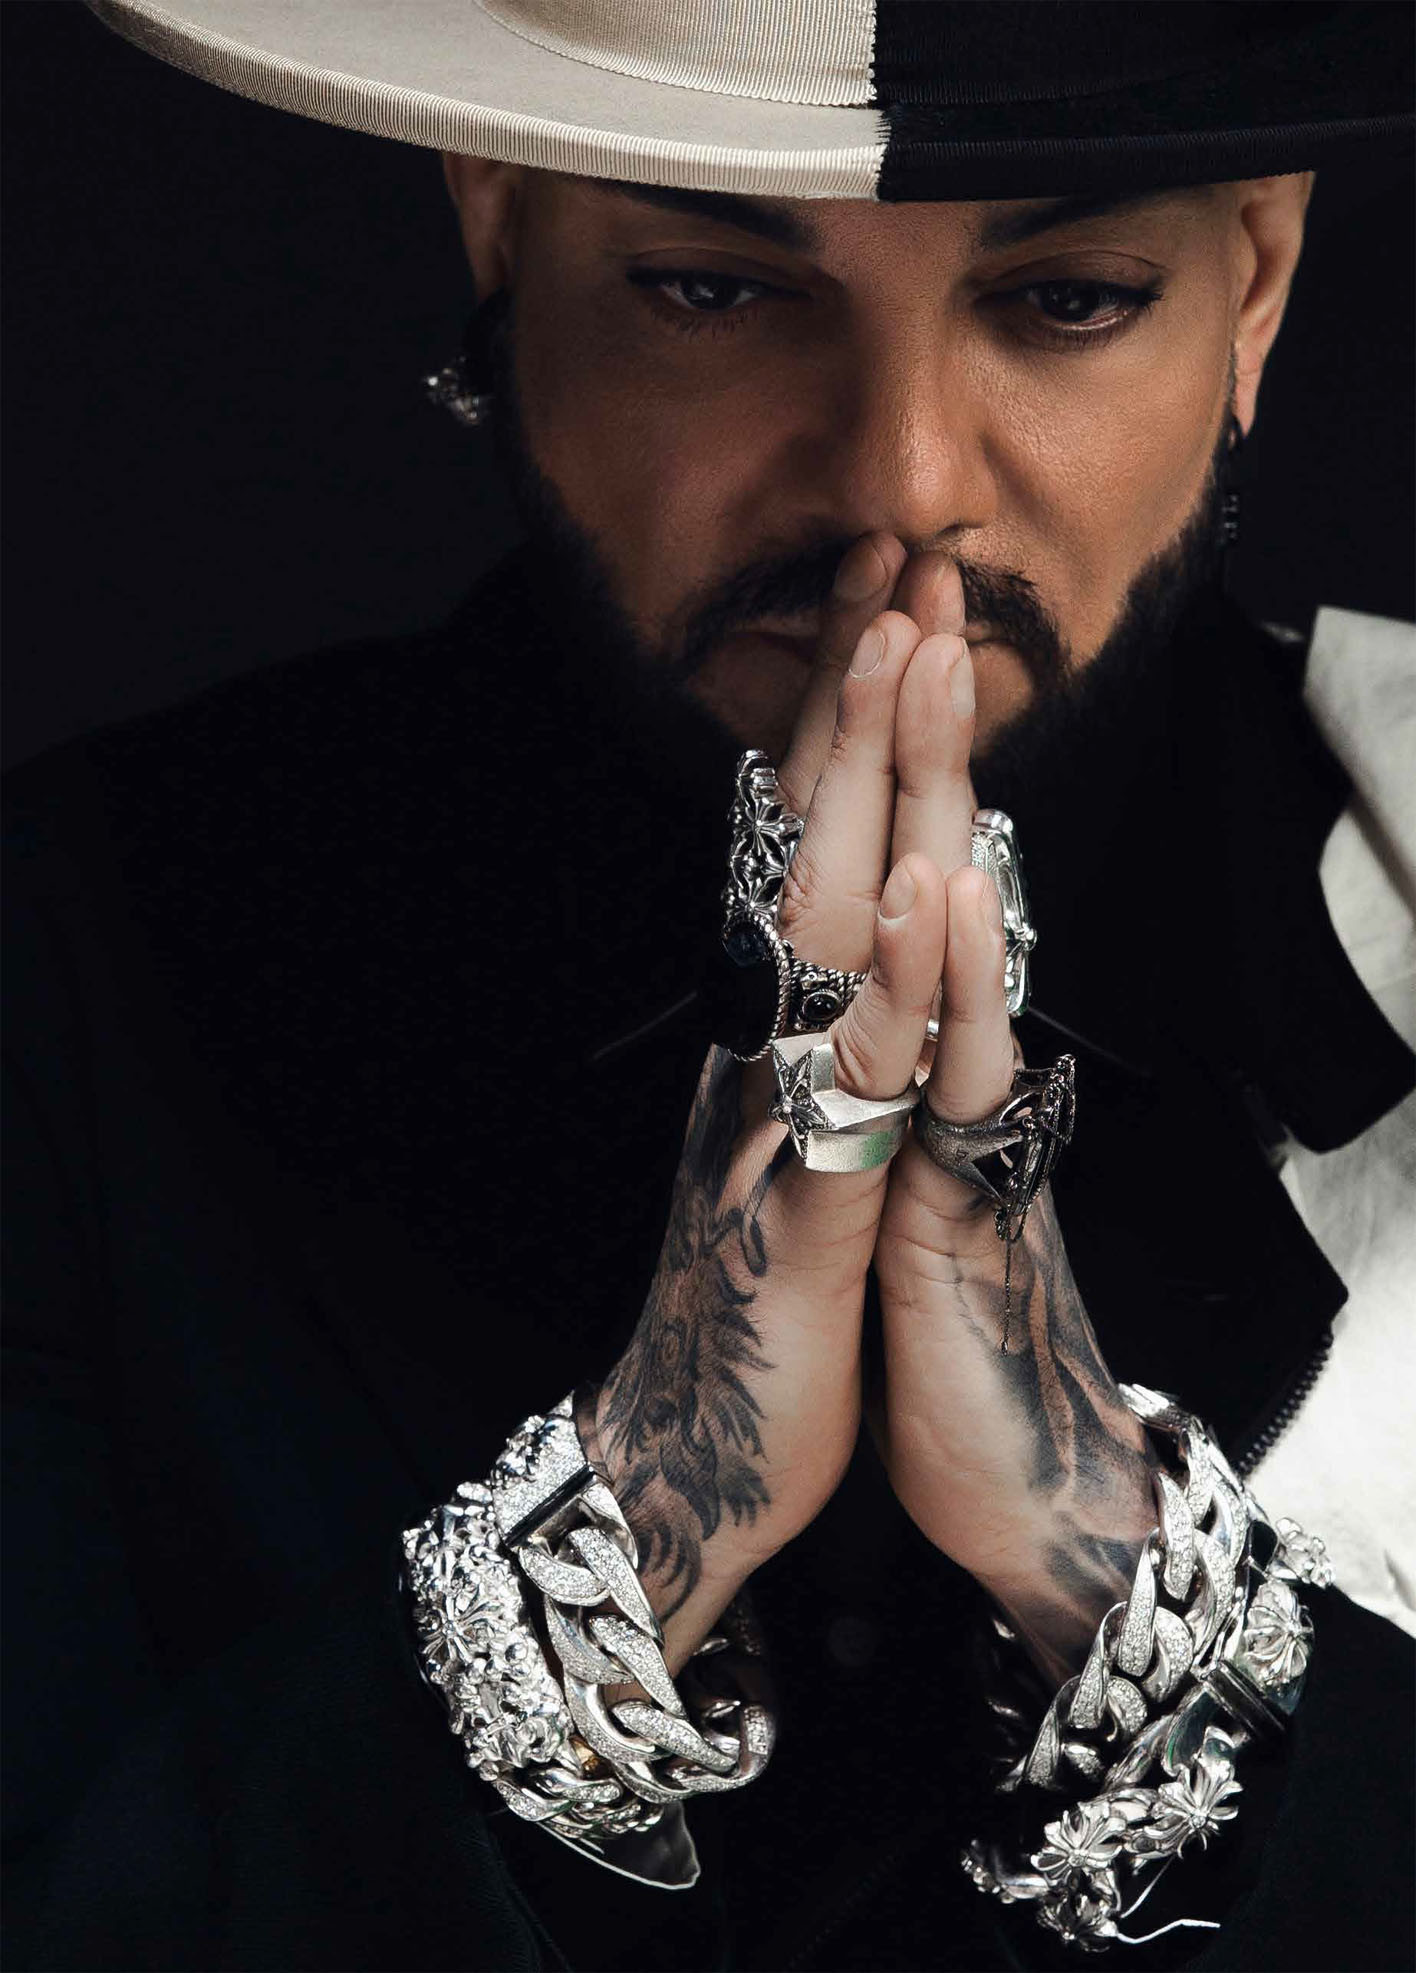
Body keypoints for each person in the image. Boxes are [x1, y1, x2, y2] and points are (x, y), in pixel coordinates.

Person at [5, 3, 1413, 1968]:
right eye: (713, 290)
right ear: (500, 222)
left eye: (1068, 301)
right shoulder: (74, 959)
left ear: (1254, 283)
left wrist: (1114, 1572)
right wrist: (629, 1531)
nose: (901, 481)